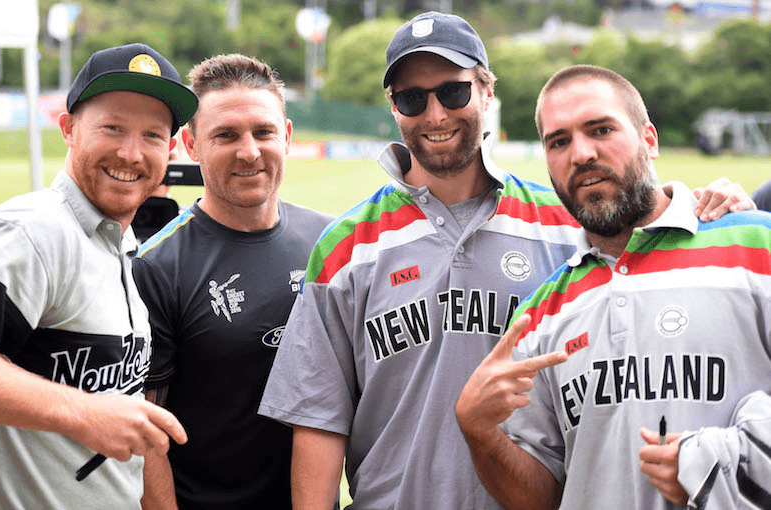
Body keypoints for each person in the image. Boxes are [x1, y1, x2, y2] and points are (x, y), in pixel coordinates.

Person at [258, 11, 755, 510]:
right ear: (393, 108)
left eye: (453, 92)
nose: (435, 115)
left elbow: (661, 258)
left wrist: (713, 207)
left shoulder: (569, 228)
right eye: (412, 98)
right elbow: (319, 420)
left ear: (487, 91)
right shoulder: (345, 248)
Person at [455, 64, 771, 510]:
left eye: (600, 129)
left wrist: (720, 465)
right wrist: (479, 432)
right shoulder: (541, 315)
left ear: (649, 139)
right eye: (559, 141)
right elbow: (540, 499)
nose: (581, 153)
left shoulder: (757, 245)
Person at [0, 43, 198, 509]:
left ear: (169, 150)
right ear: (68, 129)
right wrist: (82, 412)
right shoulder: (32, 230)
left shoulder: (119, 247)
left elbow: (126, 433)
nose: (131, 153)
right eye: (112, 128)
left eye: (152, 136)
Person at [133, 54, 333, 510]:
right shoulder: (157, 267)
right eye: (226, 135)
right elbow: (145, 437)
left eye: (263, 132)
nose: (249, 151)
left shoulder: (331, 243)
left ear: (286, 135)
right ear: (190, 144)